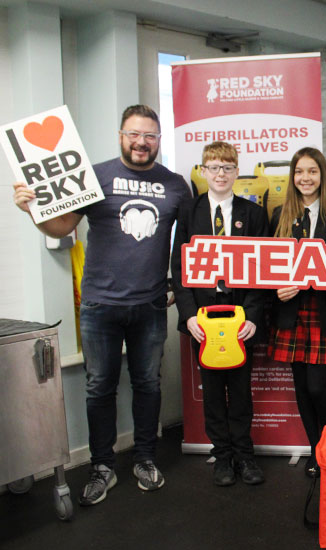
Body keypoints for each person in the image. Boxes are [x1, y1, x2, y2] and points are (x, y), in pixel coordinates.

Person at [12, 105, 191, 505]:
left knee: (148, 384)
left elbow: (188, 245)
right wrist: (32, 210)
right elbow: (62, 226)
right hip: (99, 305)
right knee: (99, 388)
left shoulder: (176, 186)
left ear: (158, 140)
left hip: (150, 305)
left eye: (150, 136)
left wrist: (176, 286)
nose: (141, 142)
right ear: (121, 136)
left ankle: (145, 459)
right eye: (134, 134)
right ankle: (102, 467)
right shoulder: (94, 176)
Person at [171, 141, 267, 487]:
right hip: (203, 319)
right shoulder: (189, 211)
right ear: (203, 171)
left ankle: (245, 456)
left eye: (227, 167)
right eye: (214, 167)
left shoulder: (253, 214)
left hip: (240, 317)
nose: (221, 174)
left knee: (240, 392)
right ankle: (222, 457)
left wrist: (252, 315)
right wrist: (189, 316)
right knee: (212, 393)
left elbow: (263, 269)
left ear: (237, 171)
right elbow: (179, 266)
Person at [269, 147, 326, 478]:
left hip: (323, 312)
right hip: (291, 312)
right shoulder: (279, 215)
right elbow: (266, 264)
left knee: (318, 387)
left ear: (322, 176)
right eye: (300, 171)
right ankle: (316, 451)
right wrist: (277, 290)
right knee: (301, 388)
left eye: (312, 171)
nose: (306, 178)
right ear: (293, 176)